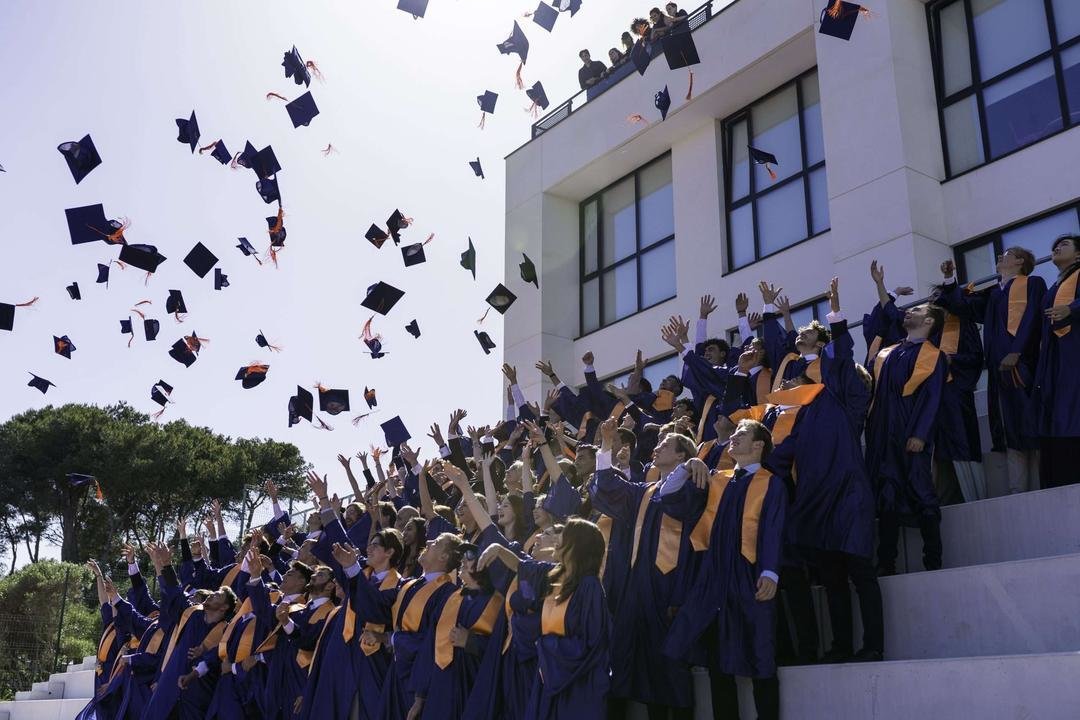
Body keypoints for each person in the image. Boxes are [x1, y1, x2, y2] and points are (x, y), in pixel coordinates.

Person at [767, 277, 883, 663]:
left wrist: (834, 313)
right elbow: (777, 460)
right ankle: (840, 645)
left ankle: (873, 645)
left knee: (861, 573)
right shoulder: (798, 420)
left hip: (848, 495)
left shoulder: (843, 404)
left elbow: (840, 355)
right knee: (832, 579)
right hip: (816, 501)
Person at [660, 419, 786, 720]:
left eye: (741, 434)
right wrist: (687, 465)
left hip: (749, 575)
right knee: (718, 663)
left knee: (761, 654)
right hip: (715, 578)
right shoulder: (718, 479)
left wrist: (770, 571)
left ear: (758, 445)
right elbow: (671, 499)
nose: (733, 438)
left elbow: (773, 528)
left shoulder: (772, 482)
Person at [590, 418, 697, 719]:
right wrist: (606, 445)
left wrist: (691, 466)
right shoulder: (645, 491)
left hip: (670, 586)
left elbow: (678, 503)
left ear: (680, 456)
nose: (657, 446)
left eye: (665, 444)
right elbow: (609, 488)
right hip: (638, 588)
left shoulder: (693, 483)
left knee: (670, 668)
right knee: (641, 669)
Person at [477, 518, 611, 719]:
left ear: (577, 546)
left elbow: (590, 644)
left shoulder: (589, 587)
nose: (558, 540)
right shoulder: (555, 575)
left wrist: (546, 645)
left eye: (564, 536)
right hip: (550, 676)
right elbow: (521, 566)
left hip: (577, 683)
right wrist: (498, 549)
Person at [939, 250, 1044, 494]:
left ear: (1020, 262)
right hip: (999, 369)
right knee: (1008, 429)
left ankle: (1042, 487)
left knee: (1030, 424)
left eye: (1006, 254)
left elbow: (1031, 318)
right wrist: (948, 279)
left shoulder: (1033, 283)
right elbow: (961, 306)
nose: (999, 256)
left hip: (1023, 365)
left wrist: (1017, 351)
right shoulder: (994, 293)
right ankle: (1018, 491)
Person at [864, 295, 948, 575]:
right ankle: (886, 563)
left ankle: (933, 561)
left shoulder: (932, 355)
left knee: (921, 491)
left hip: (910, 431)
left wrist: (920, 434)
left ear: (928, 321)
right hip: (883, 433)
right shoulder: (890, 352)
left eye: (917, 309)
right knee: (887, 494)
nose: (909, 312)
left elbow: (933, 397)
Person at [1034, 234, 1080, 487]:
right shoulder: (1054, 286)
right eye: (1054, 245)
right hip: (1054, 358)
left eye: (1064, 245)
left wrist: (1071, 309)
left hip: (1074, 353)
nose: (1056, 248)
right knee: (1057, 410)